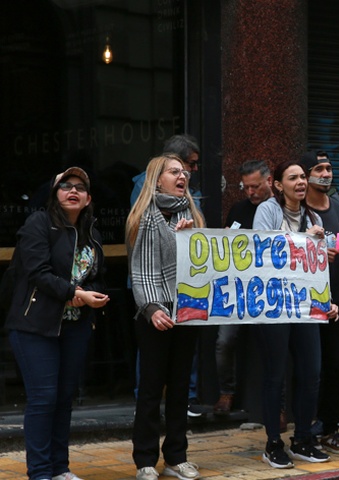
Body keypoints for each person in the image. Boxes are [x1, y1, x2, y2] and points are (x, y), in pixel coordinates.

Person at [6, 167, 110, 480]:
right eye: (65, 186)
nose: (72, 191)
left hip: (75, 326)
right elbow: (38, 272)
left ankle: (59, 468)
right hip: (35, 325)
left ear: (88, 198)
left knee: (64, 399)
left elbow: (97, 276)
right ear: (55, 194)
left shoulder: (92, 231)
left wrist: (96, 295)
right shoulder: (39, 223)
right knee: (43, 398)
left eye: (80, 187)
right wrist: (74, 293)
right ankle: (39, 472)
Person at [253, 159, 338, 468]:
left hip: (304, 306)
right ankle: (273, 443)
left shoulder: (314, 216)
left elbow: (317, 268)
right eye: (293, 178)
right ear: (279, 185)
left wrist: (326, 295)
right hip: (273, 305)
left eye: (303, 176)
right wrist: (304, 241)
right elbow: (259, 250)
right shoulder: (268, 210)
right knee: (276, 375)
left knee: (311, 372)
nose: (301, 182)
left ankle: (303, 438)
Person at [126, 155, 205, 480]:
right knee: (150, 388)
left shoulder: (193, 214)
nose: (182, 176)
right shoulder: (145, 217)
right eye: (174, 172)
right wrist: (152, 308)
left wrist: (189, 237)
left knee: (179, 390)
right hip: (155, 312)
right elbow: (142, 270)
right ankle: (145, 460)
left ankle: (176, 457)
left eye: (184, 173)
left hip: (185, 311)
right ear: (158, 179)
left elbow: (203, 262)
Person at [299, 150, 339, 454]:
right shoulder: (298, 210)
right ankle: (305, 429)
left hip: (335, 298)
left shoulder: (338, 206)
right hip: (306, 300)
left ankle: (330, 428)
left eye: (329, 168)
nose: (326, 173)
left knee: (334, 365)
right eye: (319, 168)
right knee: (310, 367)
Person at [212, 160, 273, 416]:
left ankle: (273, 403)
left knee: (272, 345)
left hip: (269, 290)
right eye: (246, 187)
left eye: (256, 186)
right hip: (238, 288)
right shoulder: (238, 209)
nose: (250, 192)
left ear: (269, 181)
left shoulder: (277, 209)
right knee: (224, 341)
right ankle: (226, 392)